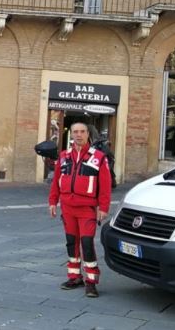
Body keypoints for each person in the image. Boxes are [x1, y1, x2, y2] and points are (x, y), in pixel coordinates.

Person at [48, 121, 112, 298]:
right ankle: (74, 277)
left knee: (86, 244)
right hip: (67, 207)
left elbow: (105, 186)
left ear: (87, 134)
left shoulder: (98, 157)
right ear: (72, 135)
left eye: (82, 131)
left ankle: (91, 282)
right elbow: (56, 181)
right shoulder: (63, 156)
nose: (78, 135)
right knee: (71, 242)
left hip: (87, 209)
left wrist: (103, 207)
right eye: (75, 131)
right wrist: (53, 201)